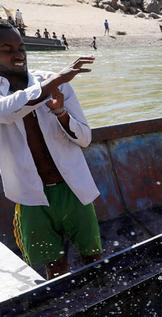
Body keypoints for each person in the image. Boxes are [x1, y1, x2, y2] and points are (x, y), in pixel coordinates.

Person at [0, 22, 102, 279]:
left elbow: (85, 138)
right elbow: (6, 111)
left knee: (94, 259)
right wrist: (54, 82)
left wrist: (61, 112)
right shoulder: (53, 82)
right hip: (31, 197)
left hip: (72, 189)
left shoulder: (56, 83)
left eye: (21, 48)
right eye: (7, 49)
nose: (18, 54)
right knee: (54, 269)